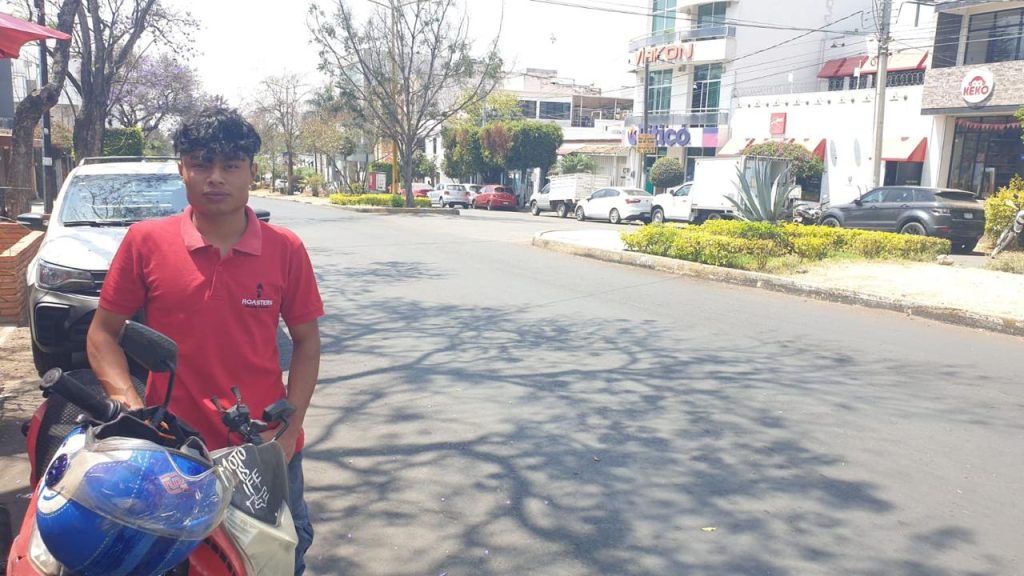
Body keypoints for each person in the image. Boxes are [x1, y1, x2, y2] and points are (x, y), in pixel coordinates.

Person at [86, 106, 323, 575]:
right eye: (201, 164)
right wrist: (134, 410)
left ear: (252, 172)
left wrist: (288, 431)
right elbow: (103, 334)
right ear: (182, 170)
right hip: (174, 450)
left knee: (278, 556)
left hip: (263, 448)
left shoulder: (285, 249)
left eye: (230, 165)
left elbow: (307, 342)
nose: (215, 177)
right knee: (175, 560)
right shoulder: (146, 242)